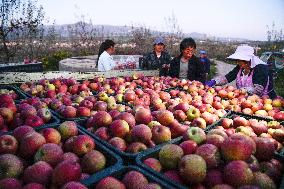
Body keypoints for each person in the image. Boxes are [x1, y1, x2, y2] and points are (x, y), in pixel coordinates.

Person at [205, 45, 277, 99]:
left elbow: (258, 90)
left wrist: (239, 91)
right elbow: (228, 77)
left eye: (238, 60)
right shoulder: (241, 67)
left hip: (264, 101)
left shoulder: (260, 68)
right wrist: (214, 81)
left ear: (247, 60)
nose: (237, 62)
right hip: (245, 100)